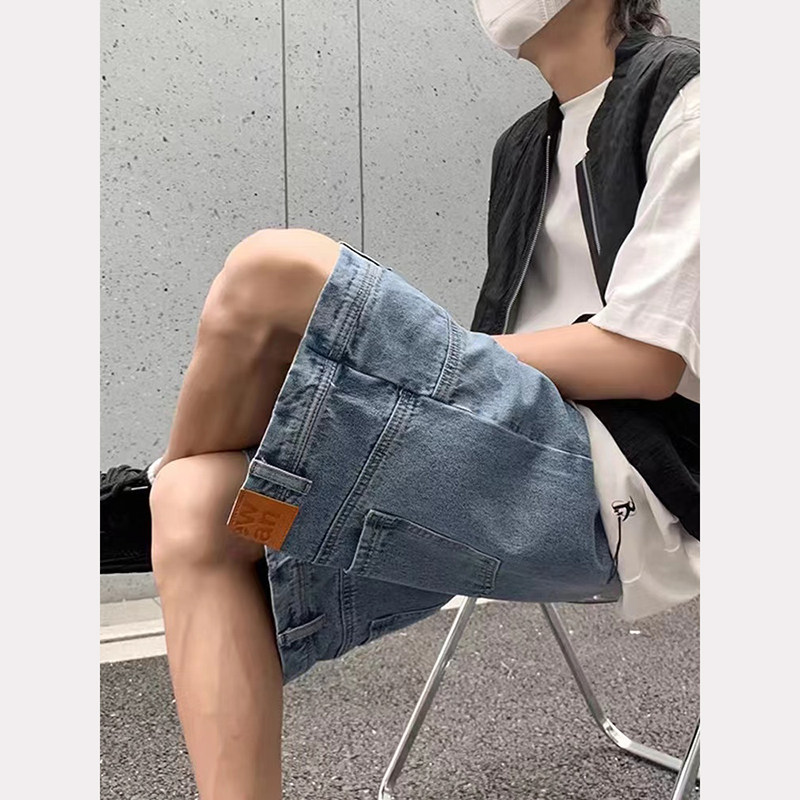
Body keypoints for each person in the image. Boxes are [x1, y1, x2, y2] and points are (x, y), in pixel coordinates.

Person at [100, 1, 699, 796]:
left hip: (625, 487)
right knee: (198, 505)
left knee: (272, 273)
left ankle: (136, 499)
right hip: (505, 472)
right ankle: (162, 493)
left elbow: (648, 358)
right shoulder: (525, 146)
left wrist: (404, 362)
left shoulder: (693, 94)